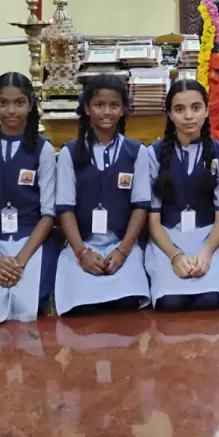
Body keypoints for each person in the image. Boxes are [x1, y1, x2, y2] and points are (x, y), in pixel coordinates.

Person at [53, 74, 151, 314]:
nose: (106, 112)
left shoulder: (136, 152)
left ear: (123, 110)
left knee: (127, 302)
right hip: (82, 245)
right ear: (87, 108)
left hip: (121, 244)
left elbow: (141, 206)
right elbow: (65, 208)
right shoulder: (70, 153)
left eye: (114, 105)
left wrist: (123, 251)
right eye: (99, 105)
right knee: (82, 307)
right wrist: (82, 252)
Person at [0, 72, 57, 325]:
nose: (11, 111)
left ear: (30, 104)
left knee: (27, 307)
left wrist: (19, 261)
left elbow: (49, 213)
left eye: (19, 103)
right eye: (3, 103)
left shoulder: (43, 149)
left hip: (32, 242)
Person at [143, 79, 219, 311]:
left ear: (206, 110)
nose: (188, 116)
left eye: (196, 108)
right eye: (179, 109)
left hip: (207, 238)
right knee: (170, 302)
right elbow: (153, 220)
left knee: (211, 300)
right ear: (169, 114)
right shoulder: (152, 155)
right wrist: (175, 257)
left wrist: (206, 253)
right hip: (167, 239)